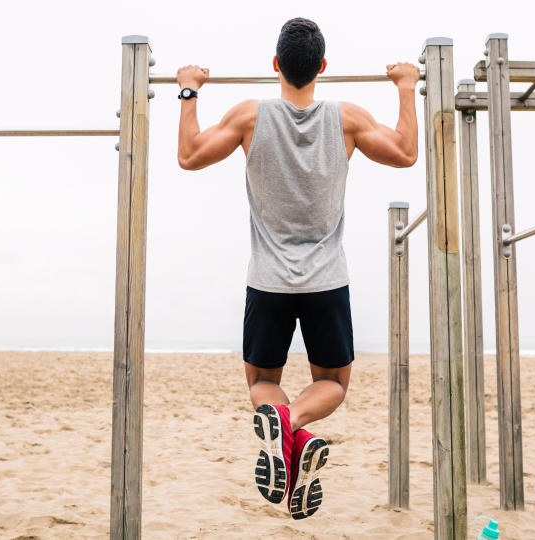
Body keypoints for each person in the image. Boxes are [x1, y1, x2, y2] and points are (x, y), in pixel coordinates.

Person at [175, 17, 420, 520]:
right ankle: (295, 425)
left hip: (267, 281)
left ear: (275, 65)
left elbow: (189, 155)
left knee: (261, 380)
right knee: (333, 382)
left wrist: (188, 90)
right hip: (327, 280)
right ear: (322, 68)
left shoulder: (249, 116)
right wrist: (406, 86)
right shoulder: (348, 118)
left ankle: (280, 424)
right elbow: (405, 152)